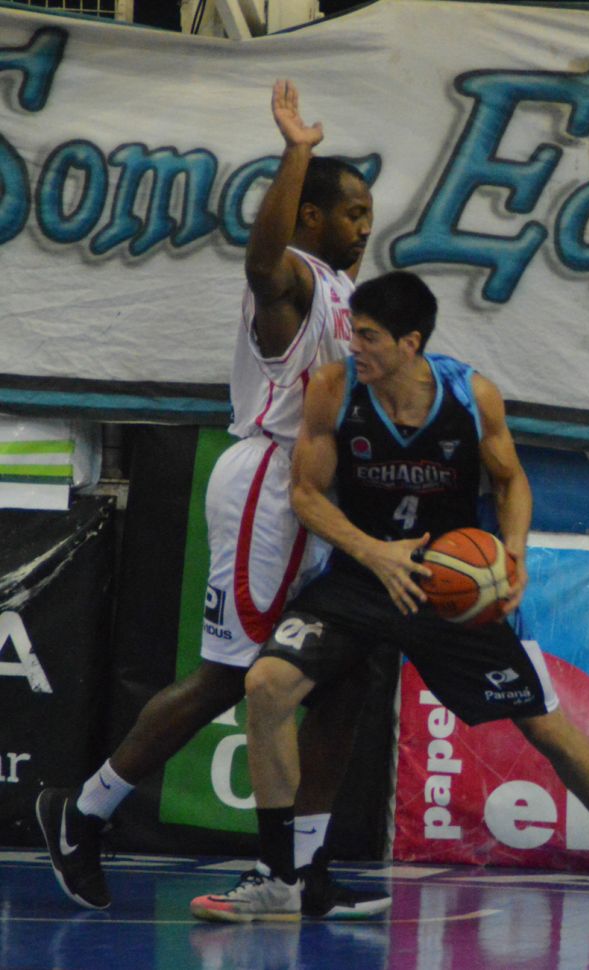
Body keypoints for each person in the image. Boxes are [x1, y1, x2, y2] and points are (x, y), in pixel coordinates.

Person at [190, 270, 589, 938]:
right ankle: (278, 876)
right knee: (266, 685)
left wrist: (513, 554)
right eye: (353, 334)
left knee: (546, 725)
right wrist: (374, 552)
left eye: (369, 337)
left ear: (410, 343)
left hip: (448, 591)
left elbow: (510, 481)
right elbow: (307, 494)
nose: (354, 348)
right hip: (363, 577)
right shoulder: (334, 389)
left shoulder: (471, 396)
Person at [35, 79, 389, 920]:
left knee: (341, 679)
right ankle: (83, 812)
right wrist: (295, 155)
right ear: (310, 216)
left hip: (320, 497)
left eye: (370, 213)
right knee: (232, 677)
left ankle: (305, 871)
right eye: (352, 212)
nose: (365, 226)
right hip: (270, 485)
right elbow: (261, 263)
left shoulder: (350, 295)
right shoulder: (294, 277)